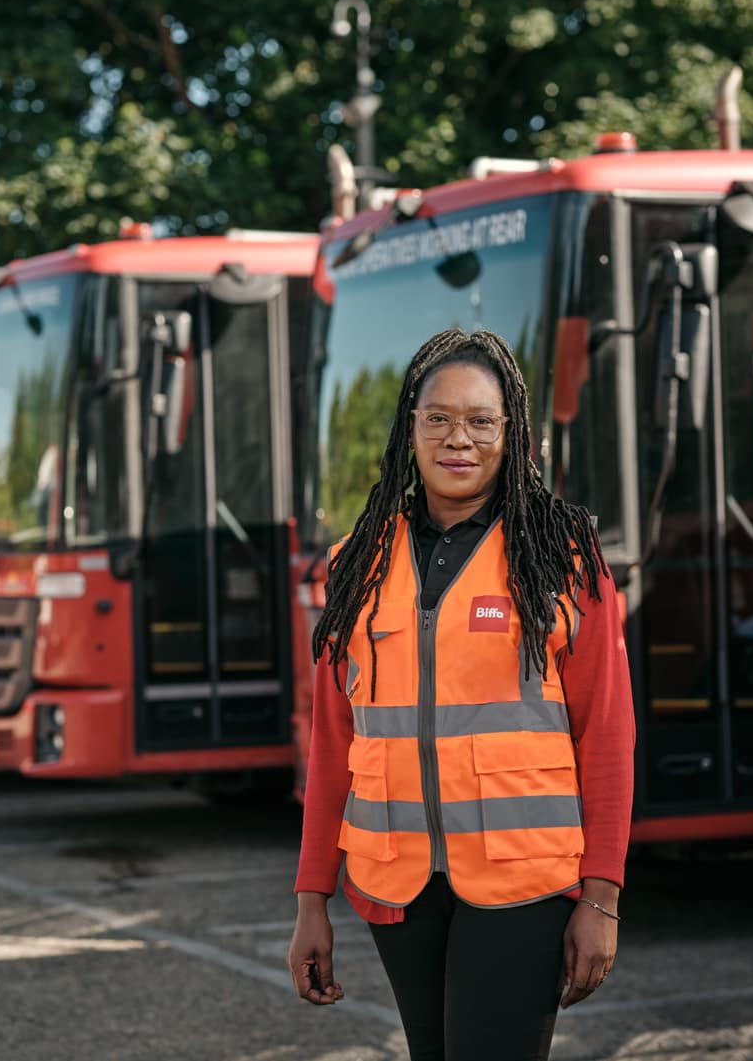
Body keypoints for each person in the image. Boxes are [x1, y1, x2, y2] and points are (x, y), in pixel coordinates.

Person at [288, 328, 635, 1060]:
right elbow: (333, 744)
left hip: (525, 881)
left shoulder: (563, 555)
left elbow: (605, 734)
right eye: (438, 417)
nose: (459, 438)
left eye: (481, 420)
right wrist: (310, 898)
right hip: (396, 885)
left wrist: (600, 897)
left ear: (512, 432)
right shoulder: (357, 564)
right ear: (409, 427)